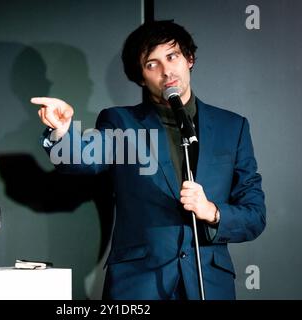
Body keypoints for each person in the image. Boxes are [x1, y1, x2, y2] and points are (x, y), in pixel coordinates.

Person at [31, 20, 266, 300]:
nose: (167, 71)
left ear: (189, 59)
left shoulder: (232, 127)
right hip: (139, 285)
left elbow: (255, 214)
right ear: (141, 77)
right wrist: (63, 130)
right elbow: (81, 158)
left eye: (172, 56)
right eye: (152, 64)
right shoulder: (122, 122)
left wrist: (212, 212)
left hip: (209, 284)